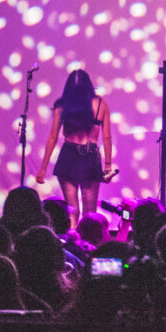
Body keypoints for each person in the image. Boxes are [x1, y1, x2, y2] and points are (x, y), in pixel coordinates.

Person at [37, 68, 114, 228]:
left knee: (72, 211)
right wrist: (107, 166)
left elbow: (53, 137)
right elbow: (106, 137)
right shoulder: (100, 104)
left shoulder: (62, 106)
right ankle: (88, 241)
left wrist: (43, 168)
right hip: (90, 156)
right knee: (90, 214)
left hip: (69, 156)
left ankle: (72, 240)